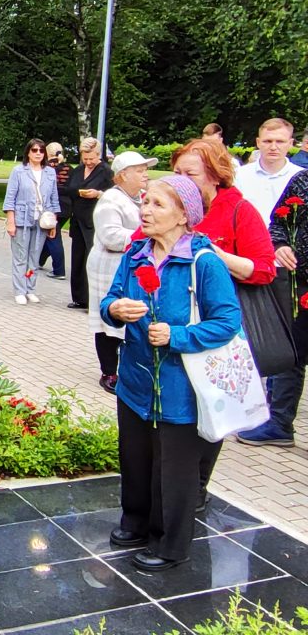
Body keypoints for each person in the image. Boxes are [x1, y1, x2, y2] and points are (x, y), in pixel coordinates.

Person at [101, 175, 242, 571]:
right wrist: (115, 310)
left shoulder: (204, 261)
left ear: (185, 215)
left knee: (173, 468)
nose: (145, 210)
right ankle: (136, 521)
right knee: (136, 456)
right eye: (145, 202)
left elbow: (228, 320)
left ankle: (170, 543)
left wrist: (179, 335)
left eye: (157, 205)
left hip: (182, 386)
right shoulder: (136, 254)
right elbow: (110, 298)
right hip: (136, 378)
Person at [169, 137, 278, 501]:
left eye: (191, 173)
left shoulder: (237, 210)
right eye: (177, 171)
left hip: (217, 328)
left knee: (209, 404)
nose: (181, 179)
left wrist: (214, 254)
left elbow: (263, 269)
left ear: (215, 176)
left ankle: (197, 486)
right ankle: (176, 482)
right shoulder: (171, 206)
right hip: (173, 328)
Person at [239, 167, 308, 447]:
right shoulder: (302, 181)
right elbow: (278, 221)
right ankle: (278, 422)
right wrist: (280, 244)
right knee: (292, 351)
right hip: (300, 283)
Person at [87, 151, 157, 394]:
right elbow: (111, 236)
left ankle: (130, 367)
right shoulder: (110, 200)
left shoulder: (140, 197)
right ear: (123, 175)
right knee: (108, 317)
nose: (145, 174)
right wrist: (146, 233)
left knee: (130, 314)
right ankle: (109, 371)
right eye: (139, 170)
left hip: (133, 265)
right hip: (109, 265)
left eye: (145, 169)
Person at [3, 139, 60, 305]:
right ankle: (20, 290)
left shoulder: (50, 172)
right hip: (22, 220)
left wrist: (53, 222)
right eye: (34, 150)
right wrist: (10, 221)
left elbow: (54, 199)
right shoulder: (19, 171)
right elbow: (10, 198)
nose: (38, 153)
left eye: (41, 150)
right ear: (28, 152)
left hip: (42, 220)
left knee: (34, 258)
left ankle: (30, 288)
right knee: (21, 257)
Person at [64, 137, 114, 309]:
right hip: (77, 218)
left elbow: (113, 192)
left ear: (98, 154)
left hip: (94, 219)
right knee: (77, 258)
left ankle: (94, 300)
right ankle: (79, 298)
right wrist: (79, 192)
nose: (88, 162)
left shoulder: (106, 171)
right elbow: (68, 189)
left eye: (91, 158)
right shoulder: (77, 170)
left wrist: (98, 194)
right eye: (85, 159)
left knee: (91, 259)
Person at [234, 117, 302, 224]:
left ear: (290, 143)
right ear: (258, 142)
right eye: (268, 141)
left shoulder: (302, 178)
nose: (273, 147)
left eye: (280, 141)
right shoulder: (239, 176)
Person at [39, 142, 71, 279]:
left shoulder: (47, 168)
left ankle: (59, 270)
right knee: (49, 234)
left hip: (54, 206)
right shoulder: (69, 168)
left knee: (53, 237)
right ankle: (38, 260)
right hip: (68, 207)